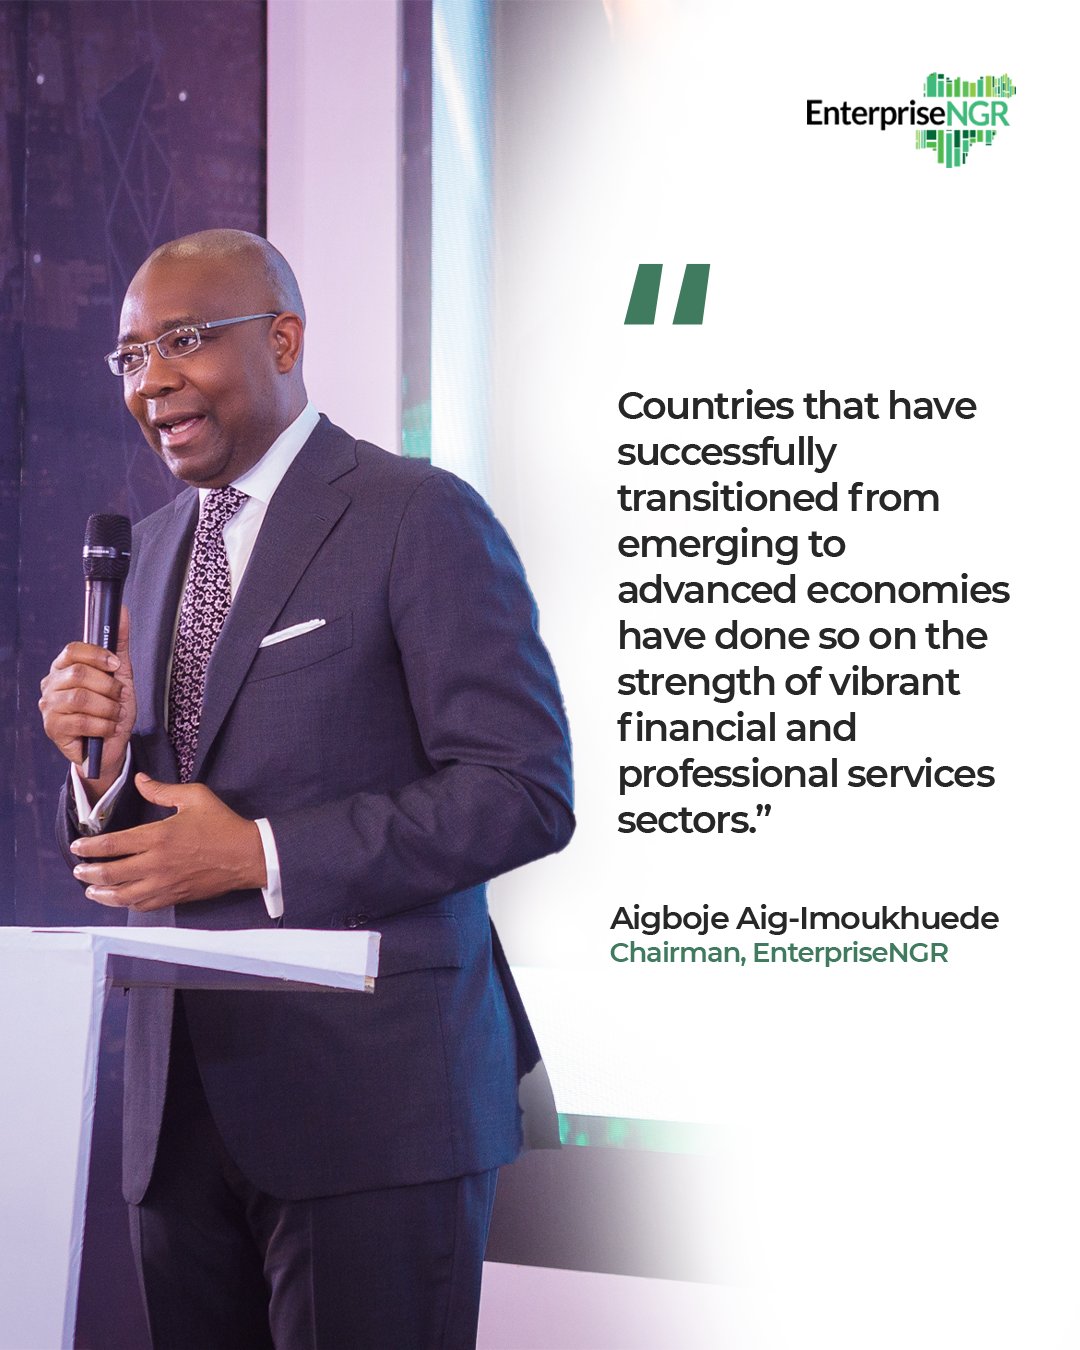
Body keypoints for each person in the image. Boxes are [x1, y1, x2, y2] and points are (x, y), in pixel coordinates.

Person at [38, 229, 574, 1349]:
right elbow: (147, 829)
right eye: (130, 356)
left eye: (185, 340)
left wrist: (262, 853)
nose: (152, 381)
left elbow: (522, 787)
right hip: (175, 1118)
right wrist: (98, 768)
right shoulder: (147, 549)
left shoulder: (416, 515)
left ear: (283, 339)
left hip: (372, 1110)